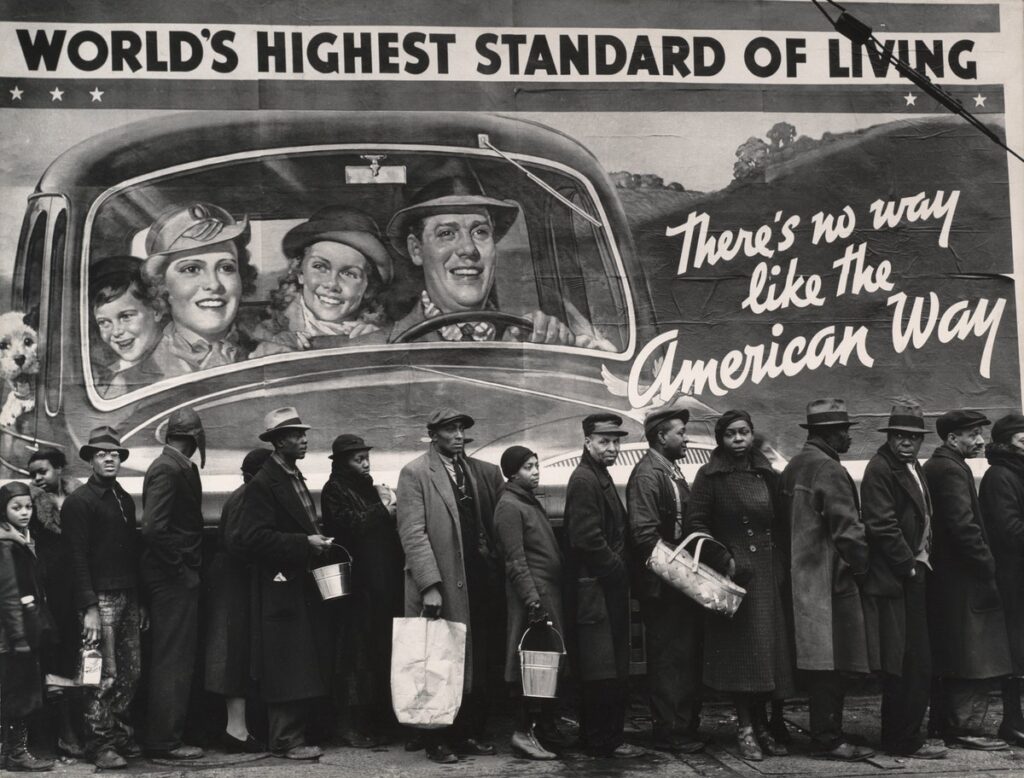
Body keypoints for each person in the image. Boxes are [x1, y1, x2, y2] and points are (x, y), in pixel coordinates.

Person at [385, 176, 615, 350]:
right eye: (446, 233)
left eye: (480, 232)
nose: (468, 249)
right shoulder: (376, 350)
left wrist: (565, 355)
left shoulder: (530, 342)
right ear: (416, 250)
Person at [395, 406, 504, 764]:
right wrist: (429, 585)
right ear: (434, 434)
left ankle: (467, 732)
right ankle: (436, 740)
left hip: (473, 578)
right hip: (442, 580)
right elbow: (412, 533)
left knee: (471, 657)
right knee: (437, 659)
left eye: (461, 429)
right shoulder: (415, 472)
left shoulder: (468, 470)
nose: (458, 435)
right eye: (450, 429)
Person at [685, 410, 794, 762]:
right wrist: (725, 561)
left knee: (766, 658)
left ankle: (762, 725)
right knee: (742, 658)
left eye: (744, 432)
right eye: (730, 433)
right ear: (721, 439)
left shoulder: (766, 474)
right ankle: (745, 727)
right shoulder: (709, 477)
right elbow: (696, 525)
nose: (738, 439)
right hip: (734, 578)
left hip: (766, 574)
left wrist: (777, 564)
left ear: (751, 435)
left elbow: (780, 523)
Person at [778, 399, 874, 761]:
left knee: (819, 662)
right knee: (833, 662)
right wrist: (862, 568)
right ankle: (829, 738)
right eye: (844, 430)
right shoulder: (829, 469)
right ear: (829, 434)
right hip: (829, 582)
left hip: (800, 578)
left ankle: (825, 732)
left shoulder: (795, 465)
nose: (848, 435)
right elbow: (848, 531)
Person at [236, 407, 334, 760]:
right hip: (280, 584)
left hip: (296, 580)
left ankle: (293, 736)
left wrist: (314, 539)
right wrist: (303, 543)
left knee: (297, 660)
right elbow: (253, 538)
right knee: (287, 663)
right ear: (278, 442)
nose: (304, 439)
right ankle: (285, 740)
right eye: (295, 434)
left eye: (303, 433)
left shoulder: (292, 475)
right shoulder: (265, 483)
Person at [859, 405, 947, 760]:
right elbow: (881, 524)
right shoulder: (880, 469)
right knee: (908, 660)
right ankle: (901, 739)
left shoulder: (913, 467)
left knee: (915, 659)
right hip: (898, 577)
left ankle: (906, 734)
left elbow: (923, 515)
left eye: (913, 437)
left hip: (916, 570)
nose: (907, 443)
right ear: (890, 437)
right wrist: (908, 565)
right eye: (900, 436)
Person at [925, 410, 1012, 750]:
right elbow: (964, 527)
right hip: (963, 579)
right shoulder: (949, 469)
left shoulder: (941, 465)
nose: (980, 440)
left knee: (955, 651)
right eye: (973, 434)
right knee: (972, 654)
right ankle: (964, 728)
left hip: (949, 578)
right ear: (952, 439)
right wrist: (987, 565)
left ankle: (945, 724)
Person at [61, 426, 145, 770]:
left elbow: (131, 554)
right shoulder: (80, 502)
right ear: (91, 460)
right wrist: (90, 609)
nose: (110, 458)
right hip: (100, 601)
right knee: (100, 674)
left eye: (115, 454)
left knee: (130, 672)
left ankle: (120, 734)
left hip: (126, 595)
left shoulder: (122, 497)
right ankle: (99, 744)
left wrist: (139, 600)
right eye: (101, 454)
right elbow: (76, 560)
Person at [563, 413, 645, 758]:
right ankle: (602, 741)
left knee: (604, 666)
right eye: (604, 442)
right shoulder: (585, 479)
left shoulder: (598, 475)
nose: (612, 448)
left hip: (599, 585)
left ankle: (599, 738)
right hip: (596, 588)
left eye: (616, 441)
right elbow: (586, 538)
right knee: (601, 668)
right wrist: (617, 571)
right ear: (587, 442)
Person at [625, 406, 704, 754]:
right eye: (680, 432)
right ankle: (671, 730)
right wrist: (684, 570)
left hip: (678, 583)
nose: (685, 438)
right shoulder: (647, 475)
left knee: (683, 655)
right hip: (665, 586)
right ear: (661, 437)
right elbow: (643, 535)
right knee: (669, 659)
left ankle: (682, 725)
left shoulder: (670, 470)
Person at [320, 433, 404, 748]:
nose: (365, 463)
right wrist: (384, 510)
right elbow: (348, 525)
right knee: (354, 655)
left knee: (374, 652)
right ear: (343, 462)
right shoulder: (334, 489)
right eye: (358, 459)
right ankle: (349, 724)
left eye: (366, 457)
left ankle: (373, 721)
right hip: (356, 585)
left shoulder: (367, 487)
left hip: (377, 583)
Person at [139, 408, 207, 760]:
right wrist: (181, 569)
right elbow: (153, 528)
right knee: (173, 659)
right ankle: (164, 740)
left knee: (174, 657)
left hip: (175, 577)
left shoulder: (178, 466)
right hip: (171, 579)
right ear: (194, 437)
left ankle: (165, 736)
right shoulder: (168, 468)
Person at [493, 445, 566, 760]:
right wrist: (533, 601)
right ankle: (522, 733)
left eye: (536, 465)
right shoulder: (509, 506)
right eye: (527, 467)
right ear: (511, 473)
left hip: (546, 594)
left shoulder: (526, 500)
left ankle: (544, 729)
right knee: (529, 667)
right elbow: (515, 560)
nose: (535, 471)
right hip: (532, 598)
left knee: (544, 666)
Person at [141, 202, 265, 377]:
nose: (214, 284)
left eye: (226, 268)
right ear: (162, 286)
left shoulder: (278, 357)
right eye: (191, 269)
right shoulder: (129, 381)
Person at [204, 447, 272, 754]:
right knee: (234, 653)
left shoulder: (239, 494)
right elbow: (239, 541)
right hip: (235, 581)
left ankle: (238, 728)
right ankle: (237, 731)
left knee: (233, 653)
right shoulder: (249, 496)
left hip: (228, 579)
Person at [252, 206, 393, 352]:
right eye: (320, 267)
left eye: (349, 274)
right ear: (300, 273)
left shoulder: (385, 335)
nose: (332, 284)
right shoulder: (266, 334)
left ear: (368, 287)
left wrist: (378, 342)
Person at [26, 448, 84, 758]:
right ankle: (64, 733)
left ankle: (82, 729)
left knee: (82, 659)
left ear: (60, 469)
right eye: (32, 473)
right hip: (51, 594)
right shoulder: (31, 507)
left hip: (80, 591)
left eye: (43, 471)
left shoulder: (79, 499)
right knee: (57, 661)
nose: (37, 478)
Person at [0, 482, 56, 772]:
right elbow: (9, 596)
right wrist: (19, 638)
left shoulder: (20, 539)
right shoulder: (7, 545)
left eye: (28, 507)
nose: (24, 512)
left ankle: (9, 752)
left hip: (16, 633)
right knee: (17, 694)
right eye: (16, 507)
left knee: (13, 693)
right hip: (12, 637)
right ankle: (16, 753)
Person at [979, 413, 1024, 747]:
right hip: (1013, 577)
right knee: (1016, 650)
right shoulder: (1000, 476)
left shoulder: (1017, 472)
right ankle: (1012, 721)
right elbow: (1008, 531)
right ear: (1007, 442)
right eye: (1023, 439)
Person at [88, 256, 164, 398]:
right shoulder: (106, 373)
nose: (116, 332)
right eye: (104, 322)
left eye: (126, 317)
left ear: (156, 310)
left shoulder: (175, 363)